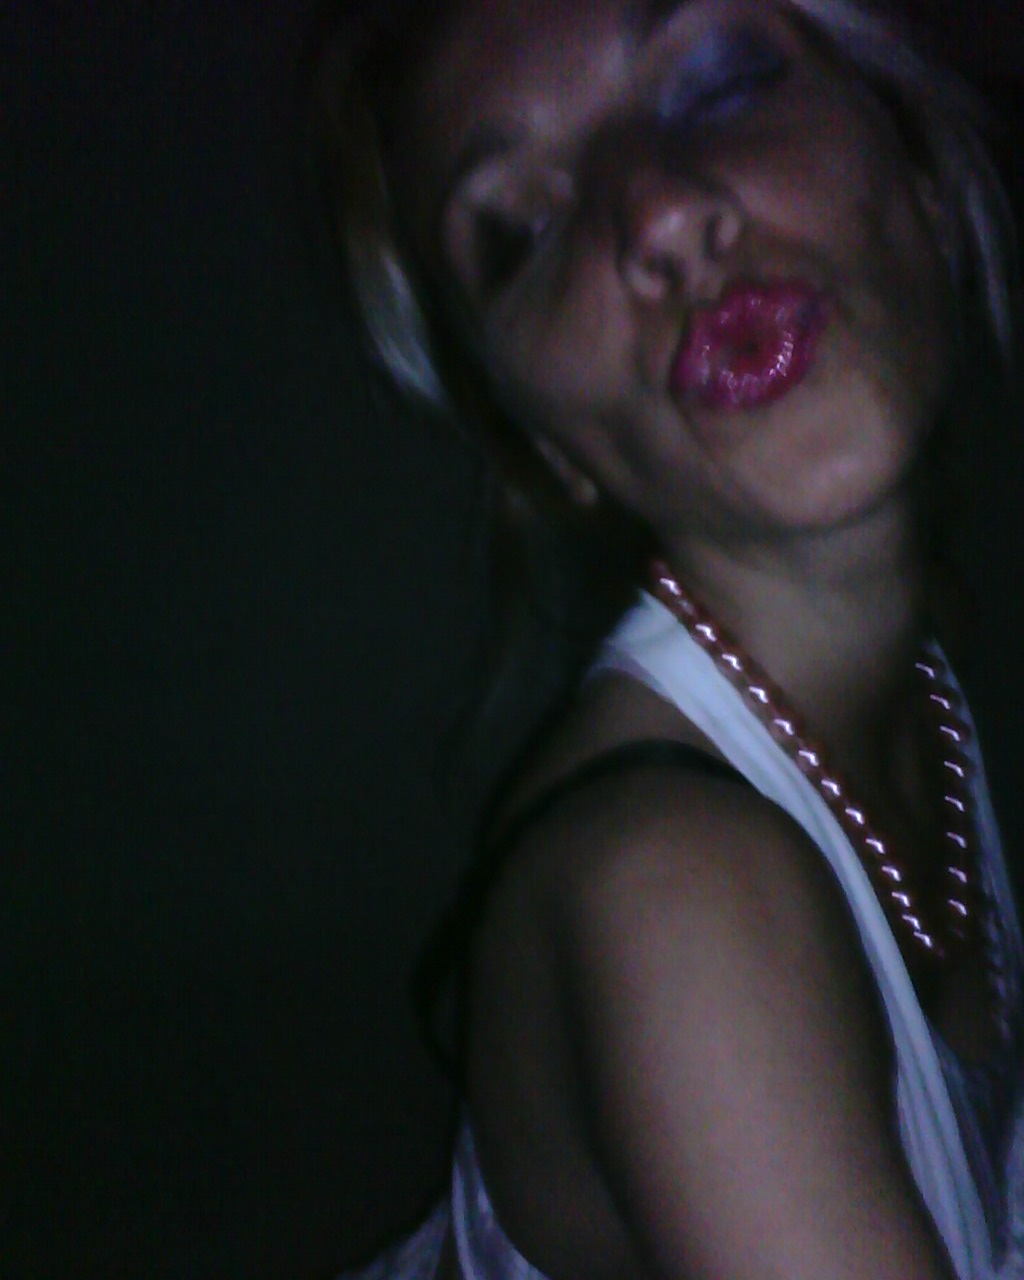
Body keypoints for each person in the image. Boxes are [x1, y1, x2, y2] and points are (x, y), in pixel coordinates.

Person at [313, 0, 1023, 1275]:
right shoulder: (675, 891)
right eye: (522, 233)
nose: (654, 215)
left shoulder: (915, 672)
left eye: (720, 81)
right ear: (549, 450)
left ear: (917, 174)